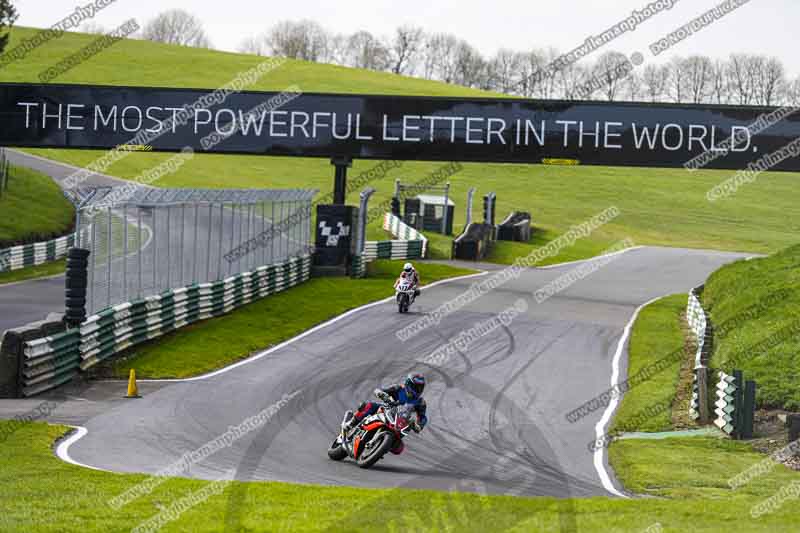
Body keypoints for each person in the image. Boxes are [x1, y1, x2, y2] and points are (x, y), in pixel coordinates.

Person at [343, 374, 428, 433]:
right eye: (416, 387)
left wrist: (419, 426)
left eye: (420, 388)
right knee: (369, 406)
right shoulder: (398, 388)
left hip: (400, 422)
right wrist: (381, 393)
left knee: (399, 449)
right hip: (386, 410)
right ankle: (350, 423)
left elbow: (422, 417)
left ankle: (381, 446)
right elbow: (381, 390)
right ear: (409, 384)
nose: (418, 390)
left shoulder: (420, 402)